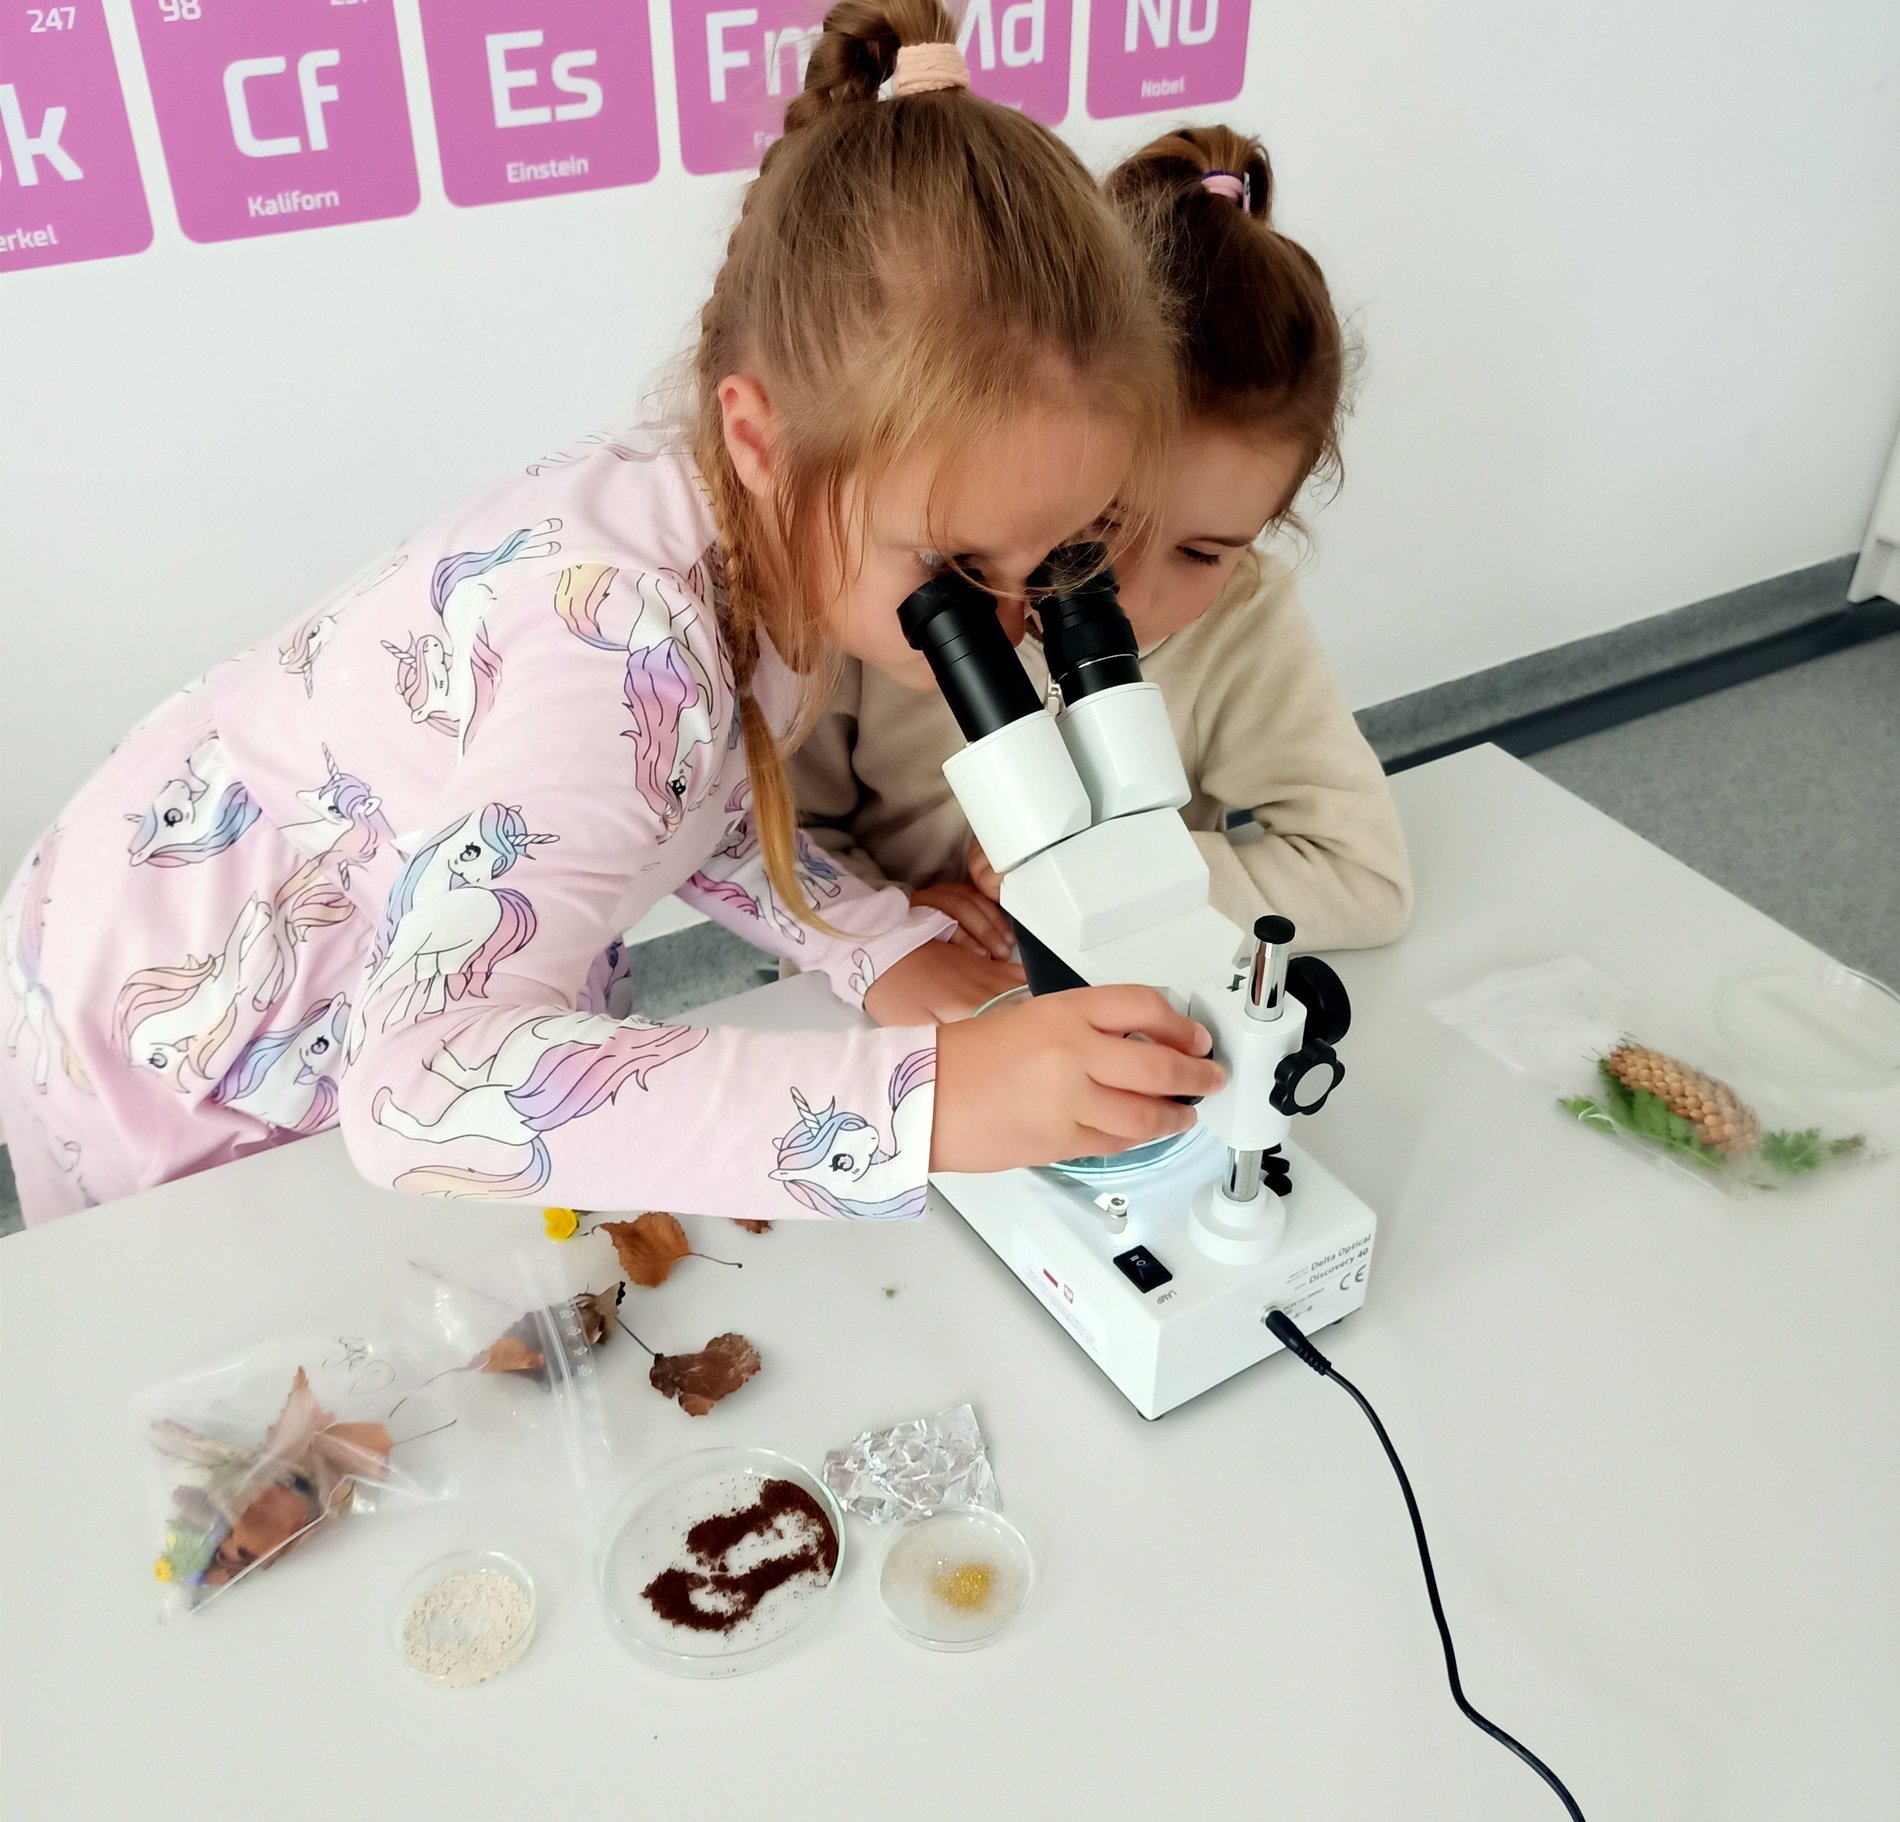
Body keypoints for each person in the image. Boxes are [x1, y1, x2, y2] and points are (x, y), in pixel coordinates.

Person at [0, 3, 1227, 1228]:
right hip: (185, 1007)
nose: (1010, 622)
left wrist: (869, 940)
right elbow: (418, 1090)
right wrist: (931, 1104)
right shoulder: (625, 639)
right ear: (763, 441)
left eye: (1059, 559)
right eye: (958, 564)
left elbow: (692, 788)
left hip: (366, 918)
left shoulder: (755, 525)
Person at [795, 124, 1412, 967]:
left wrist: (1137, 875)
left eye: (1202, 554)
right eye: (1100, 525)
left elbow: (1365, 878)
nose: (1122, 589)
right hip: (909, 1004)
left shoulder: (1245, 620)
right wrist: (889, 923)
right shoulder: (887, 595)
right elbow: (778, 838)